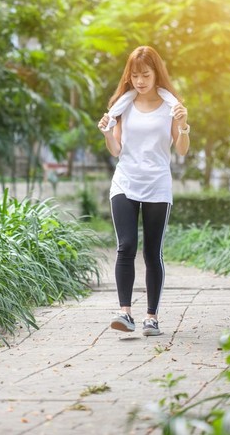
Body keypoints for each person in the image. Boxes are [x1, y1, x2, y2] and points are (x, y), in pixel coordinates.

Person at [97, 46, 190, 336]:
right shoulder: (121, 106)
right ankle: (125, 314)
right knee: (126, 246)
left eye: (145, 74)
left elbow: (182, 150)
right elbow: (116, 149)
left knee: (152, 251)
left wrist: (184, 125)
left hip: (157, 184)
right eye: (135, 75)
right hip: (125, 181)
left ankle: (152, 317)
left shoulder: (171, 107)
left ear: (156, 73)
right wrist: (105, 132)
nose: (139, 80)